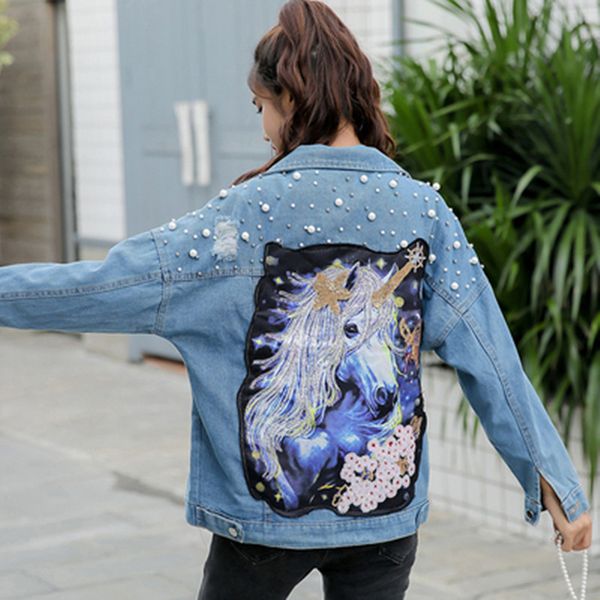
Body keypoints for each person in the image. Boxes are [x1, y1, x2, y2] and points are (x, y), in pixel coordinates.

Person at [0, 1, 592, 599]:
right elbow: (490, 356)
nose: (262, 127)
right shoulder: (423, 211)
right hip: (383, 518)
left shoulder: (235, 219)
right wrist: (559, 488)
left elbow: (102, 285)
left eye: (260, 105)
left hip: (264, 523)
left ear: (290, 97)